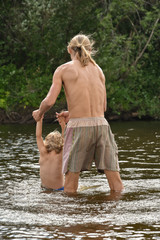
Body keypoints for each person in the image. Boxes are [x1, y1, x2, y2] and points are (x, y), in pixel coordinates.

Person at [32, 34, 124, 193]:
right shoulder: (99, 70)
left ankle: (73, 217)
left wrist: (39, 113)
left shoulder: (63, 69)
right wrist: (72, 113)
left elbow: (49, 101)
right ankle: (116, 214)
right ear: (89, 49)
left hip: (79, 128)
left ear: (69, 49)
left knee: (70, 183)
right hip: (102, 125)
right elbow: (103, 107)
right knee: (115, 181)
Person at [36, 115, 65, 190]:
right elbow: (66, 138)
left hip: (45, 189)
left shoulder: (43, 152)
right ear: (60, 142)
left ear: (46, 141)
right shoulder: (61, 153)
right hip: (60, 190)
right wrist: (63, 125)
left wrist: (39, 120)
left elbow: (38, 136)